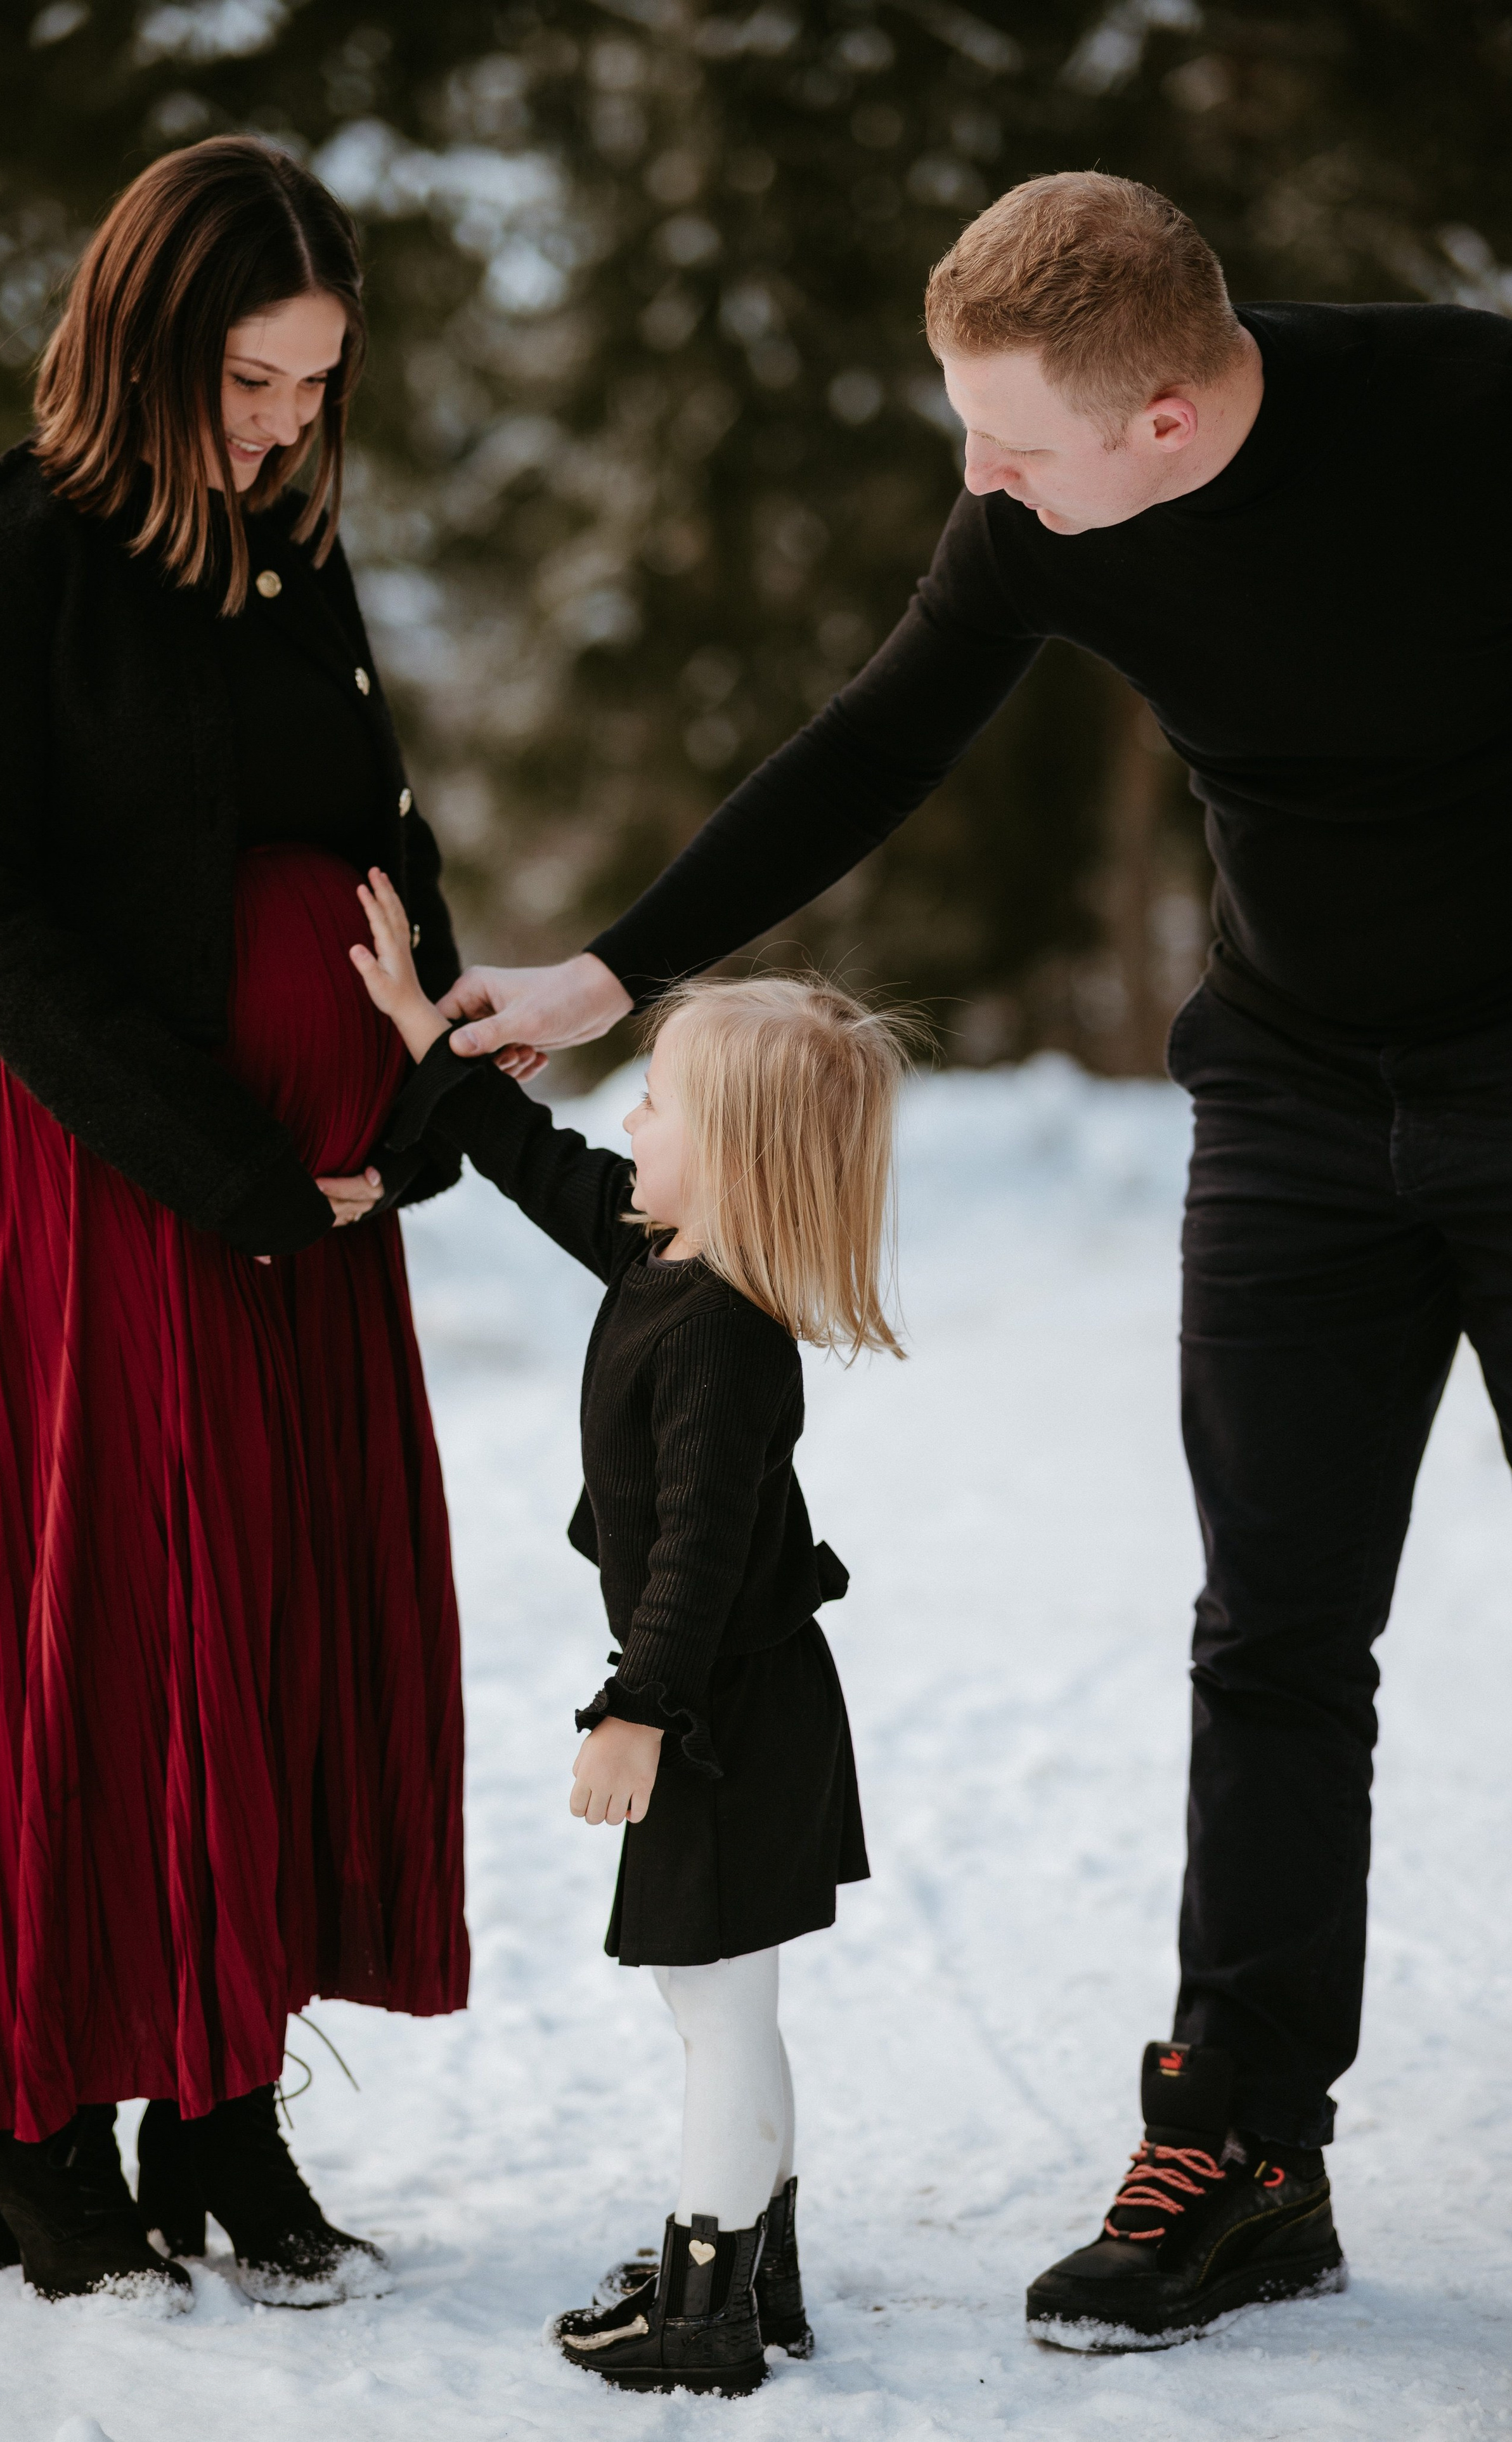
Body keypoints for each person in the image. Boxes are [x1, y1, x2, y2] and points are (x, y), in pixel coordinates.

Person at [429, 167, 1512, 2347]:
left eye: (1012, 441)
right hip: (1294, 1097)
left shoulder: (1465, 424)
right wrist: (617, 973)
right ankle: (1244, 2147)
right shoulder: (1040, 512)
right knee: (1276, 1630)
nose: (978, 479)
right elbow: (877, 741)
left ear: (1166, 421)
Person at [0, 138, 469, 2311]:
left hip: (300, 1203)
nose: (286, 424)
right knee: (97, 1639)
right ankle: (40, 2131)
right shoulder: (12, 547)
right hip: (93, 1171)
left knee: (269, 1626)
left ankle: (219, 2103)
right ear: (144, 343)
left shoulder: (288, 546)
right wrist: (218, 1164)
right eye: (251, 379)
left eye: (317, 382)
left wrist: (413, 1095)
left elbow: (386, 839)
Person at [353, 863, 895, 2394]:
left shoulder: (721, 1337)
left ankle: (707, 2307)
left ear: (725, 1159)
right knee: (726, 2004)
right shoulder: (670, 1257)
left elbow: (697, 1561)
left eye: (652, 1103)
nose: (627, 1124)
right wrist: (425, 1039)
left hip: (720, 1717)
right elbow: (535, 1160)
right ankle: (753, 2273)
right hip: (744, 1707)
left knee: (714, 2010)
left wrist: (635, 1710)